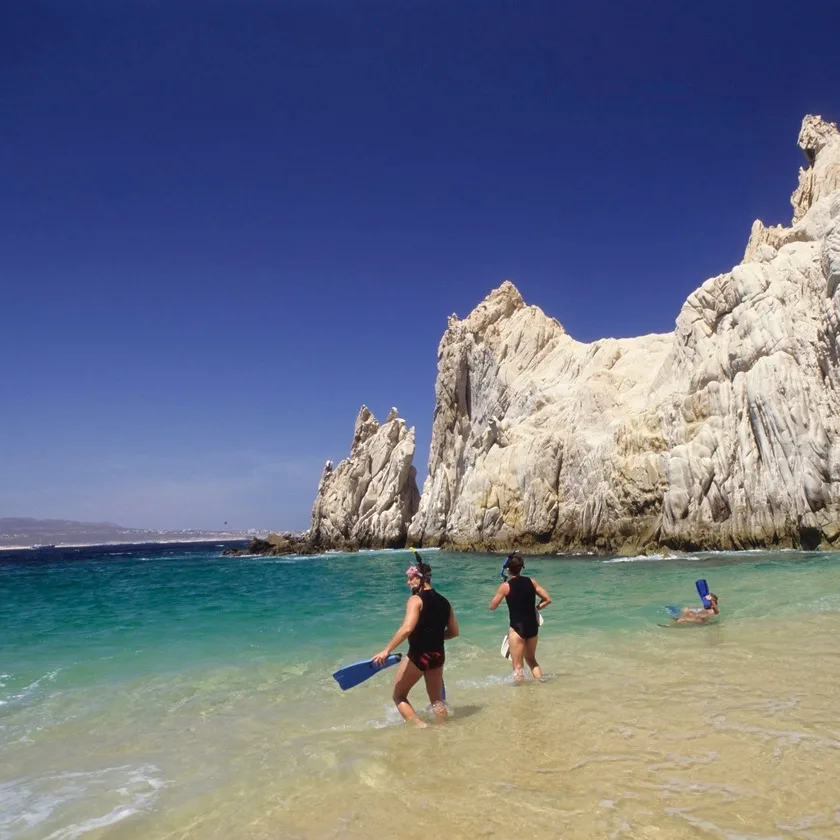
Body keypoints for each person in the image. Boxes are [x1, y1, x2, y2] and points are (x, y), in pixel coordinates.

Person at [372, 554, 459, 728]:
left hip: (419, 655)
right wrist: (434, 635)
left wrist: (386, 650)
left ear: (419, 579)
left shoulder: (415, 600)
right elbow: (454, 632)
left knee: (399, 696)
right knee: (437, 700)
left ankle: (421, 727)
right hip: (438, 655)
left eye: (410, 579)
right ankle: (443, 730)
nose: (408, 583)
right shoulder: (444, 602)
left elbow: (407, 629)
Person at [489, 552, 551, 683]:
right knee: (532, 660)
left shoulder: (505, 586)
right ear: (522, 568)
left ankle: (520, 697)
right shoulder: (531, 582)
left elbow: (492, 606)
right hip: (532, 626)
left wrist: (501, 591)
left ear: (508, 569)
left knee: (518, 666)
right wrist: (536, 608)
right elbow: (547, 599)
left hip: (517, 628)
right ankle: (542, 685)